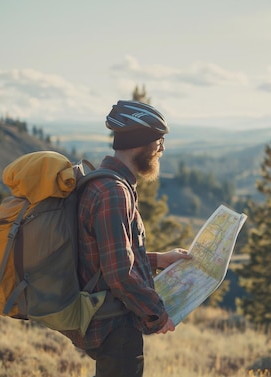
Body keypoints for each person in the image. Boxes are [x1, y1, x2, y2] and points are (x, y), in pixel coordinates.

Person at [62, 100, 191, 377]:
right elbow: (120, 273)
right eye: (158, 141)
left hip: (106, 320)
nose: (162, 149)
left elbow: (106, 255)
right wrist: (158, 315)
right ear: (140, 143)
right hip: (115, 327)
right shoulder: (113, 192)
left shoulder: (102, 182)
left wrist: (158, 259)